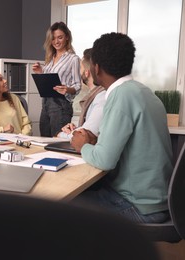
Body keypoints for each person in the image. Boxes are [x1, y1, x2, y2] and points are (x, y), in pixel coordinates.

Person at [70, 32, 173, 223]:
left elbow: (104, 161)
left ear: (96, 68)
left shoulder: (120, 96)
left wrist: (82, 145)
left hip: (138, 205)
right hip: (158, 200)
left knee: (62, 205)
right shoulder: (144, 92)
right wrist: (96, 142)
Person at [32, 22, 81, 137]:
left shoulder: (73, 59)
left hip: (61, 105)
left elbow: (78, 85)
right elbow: (49, 79)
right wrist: (41, 71)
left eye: (60, 37)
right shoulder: (50, 58)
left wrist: (67, 89)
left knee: (58, 141)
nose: (56, 41)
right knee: (44, 139)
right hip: (46, 104)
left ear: (67, 37)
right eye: (53, 38)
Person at [57, 48, 106, 140]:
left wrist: (60, 135)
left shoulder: (101, 98)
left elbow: (87, 134)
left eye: (80, 68)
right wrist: (74, 128)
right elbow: (89, 127)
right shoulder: (95, 96)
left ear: (87, 73)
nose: (78, 72)